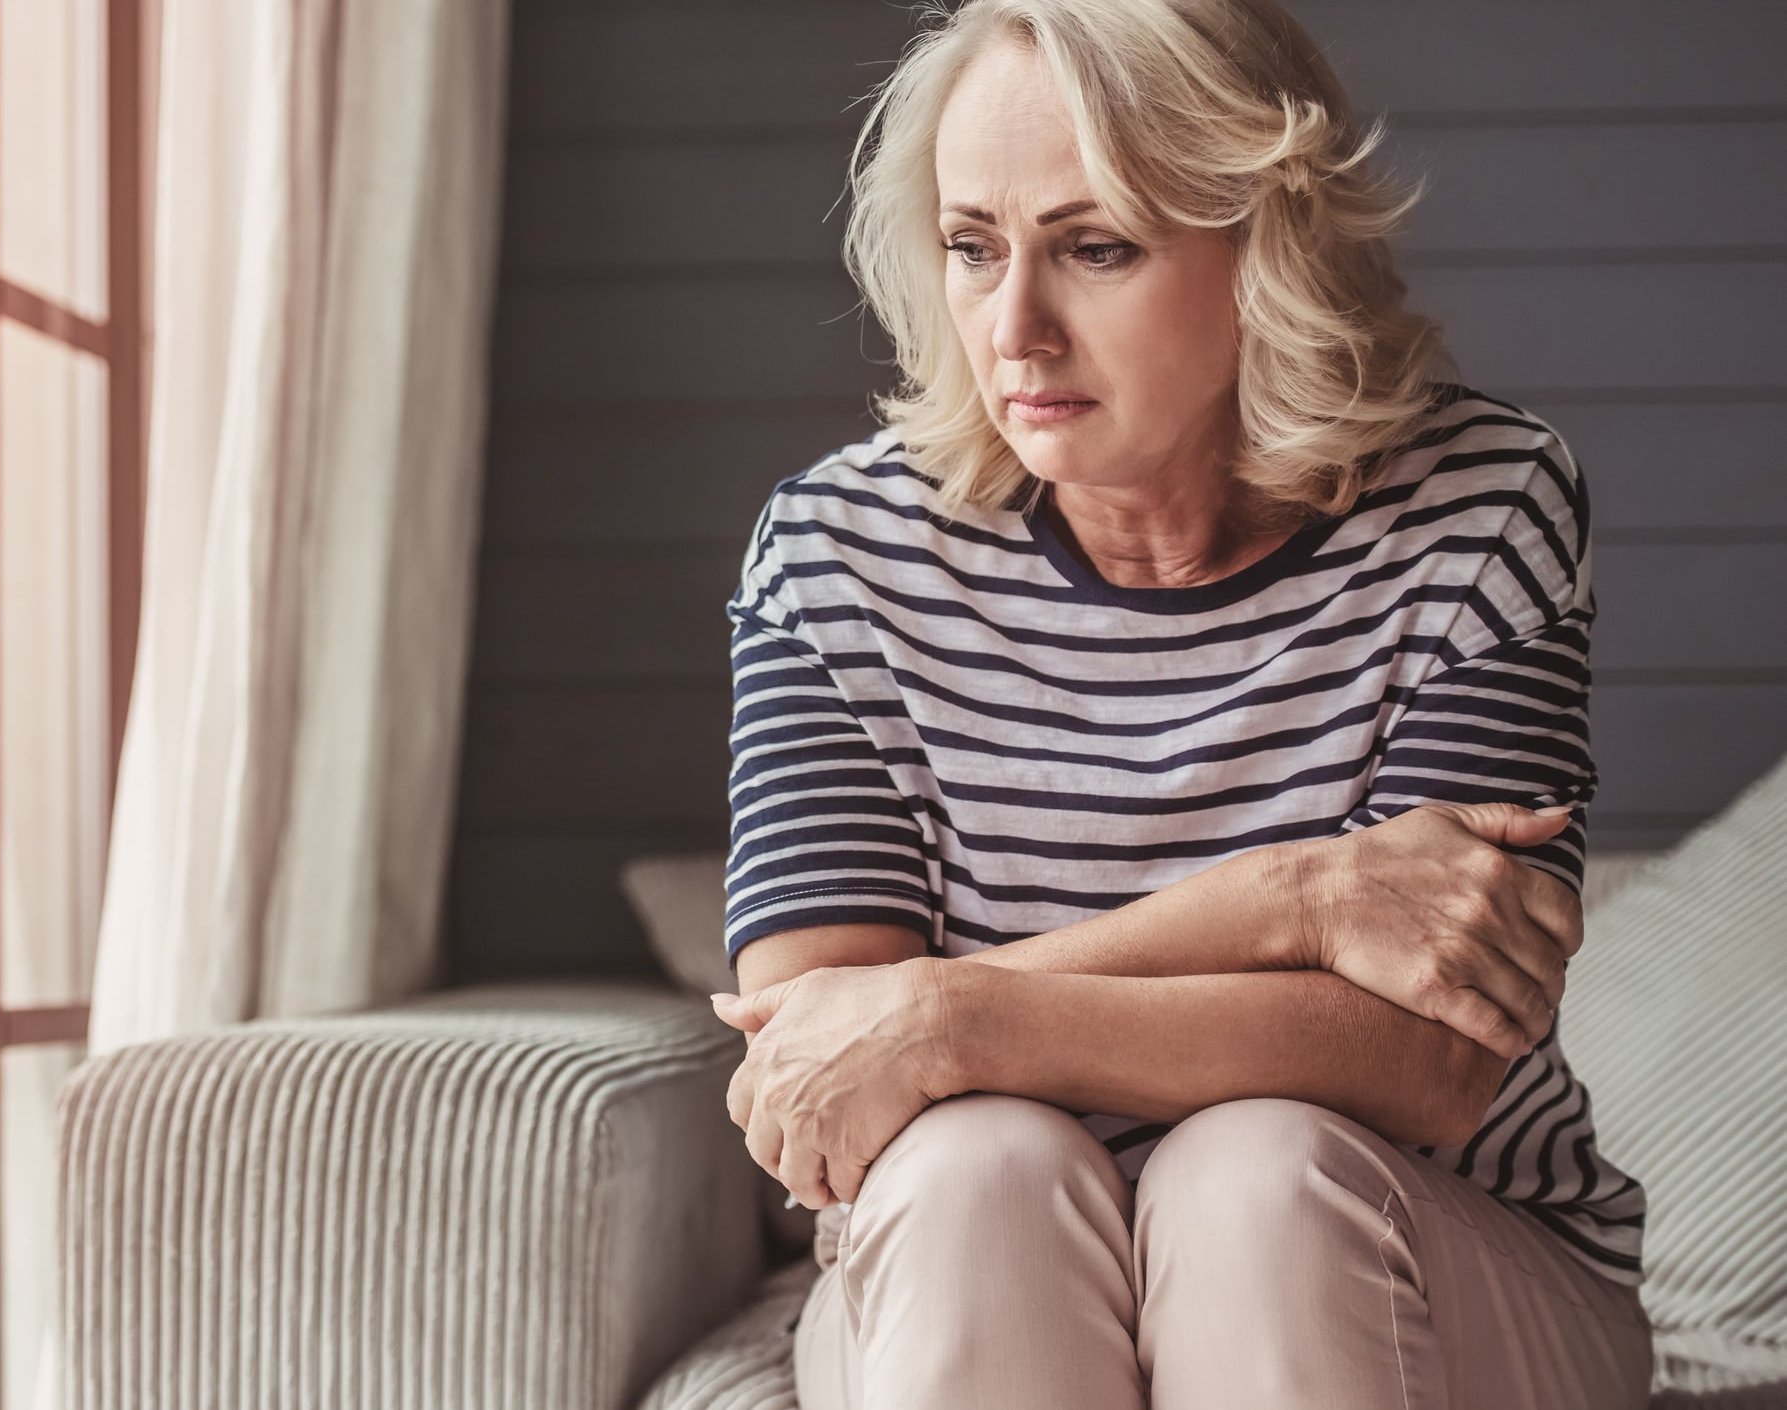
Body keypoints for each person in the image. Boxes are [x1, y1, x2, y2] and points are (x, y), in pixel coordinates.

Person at [706, 1, 1653, 1406]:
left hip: (1444, 1260)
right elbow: (815, 1082)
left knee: (1257, 1172)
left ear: (1265, 246)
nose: (1012, 327)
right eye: (974, 247)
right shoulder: (838, 552)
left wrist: (954, 1021)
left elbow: (1427, 1060)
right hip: (969, 1261)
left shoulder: (1477, 508)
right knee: (980, 1166)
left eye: (1095, 248)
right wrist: (1294, 900)